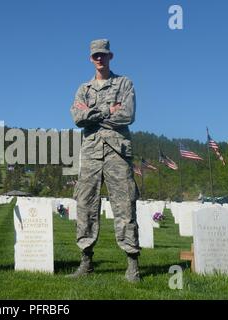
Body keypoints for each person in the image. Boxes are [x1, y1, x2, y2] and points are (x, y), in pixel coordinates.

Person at [68, 39, 141, 282]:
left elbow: (127, 115)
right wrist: (108, 111)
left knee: (125, 204)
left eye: (103, 55)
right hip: (90, 153)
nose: (99, 59)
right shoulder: (83, 89)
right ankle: (86, 261)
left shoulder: (124, 83)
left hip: (117, 152)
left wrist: (93, 115)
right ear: (91, 58)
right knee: (85, 204)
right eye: (95, 55)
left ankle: (132, 264)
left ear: (110, 56)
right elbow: (77, 117)